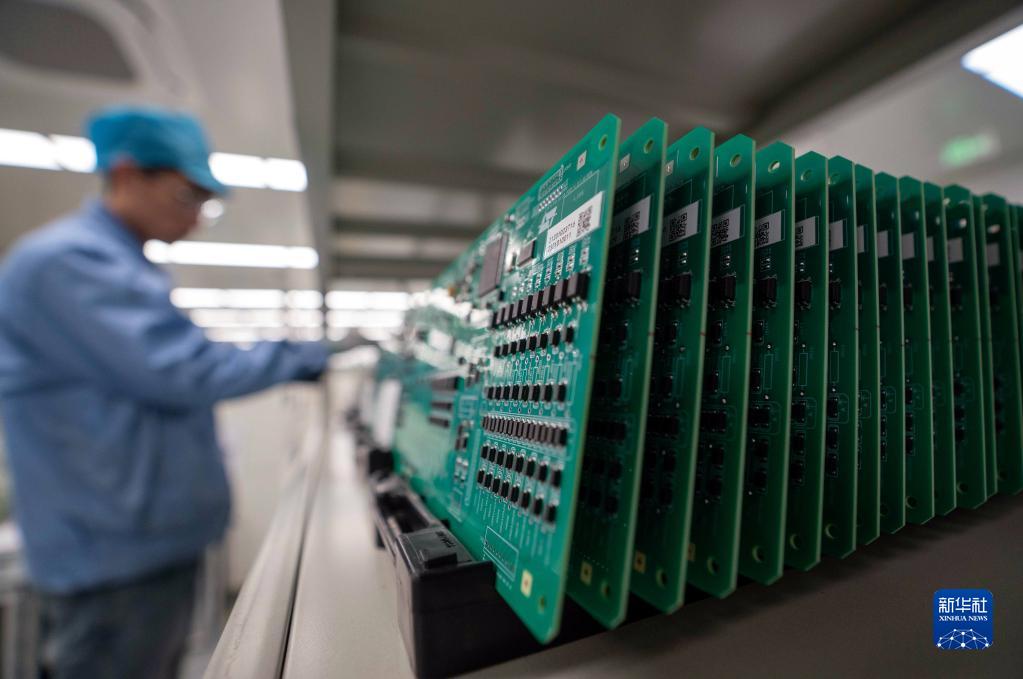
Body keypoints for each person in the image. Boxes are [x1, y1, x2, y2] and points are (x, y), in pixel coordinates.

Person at [0, 106, 329, 678]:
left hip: (138, 547)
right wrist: (308, 354)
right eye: (188, 196)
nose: (197, 217)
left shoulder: (119, 264)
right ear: (127, 174)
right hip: (115, 560)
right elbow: (187, 370)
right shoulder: (70, 262)